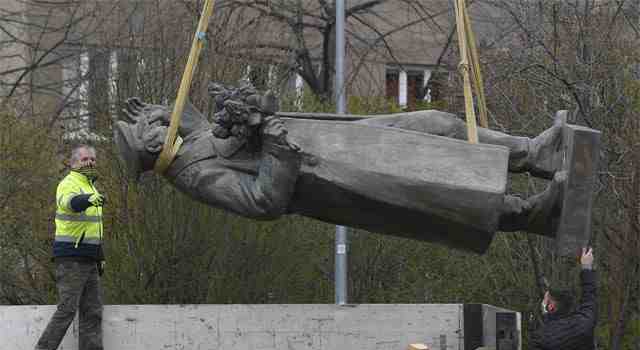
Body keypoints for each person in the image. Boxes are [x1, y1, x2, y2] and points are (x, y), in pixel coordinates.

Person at [114, 83, 570, 254]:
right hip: (331, 178)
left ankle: (534, 153)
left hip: (335, 141)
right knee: (440, 193)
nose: (157, 122)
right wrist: (273, 141)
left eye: (154, 120)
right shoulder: (193, 174)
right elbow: (263, 202)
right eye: (149, 128)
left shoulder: (189, 141)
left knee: (436, 125)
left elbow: (200, 123)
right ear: (153, 151)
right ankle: (533, 214)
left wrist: (216, 105)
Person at [32, 144, 118, 350]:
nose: (89, 162)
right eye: (84, 159)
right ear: (73, 163)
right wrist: (89, 199)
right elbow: (70, 204)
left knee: (93, 311)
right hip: (70, 258)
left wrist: (100, 257)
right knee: (67, 308)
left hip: (89, 258)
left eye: (92, 159)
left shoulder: (91, 186)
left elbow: (93, 229)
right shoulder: (68, 183)